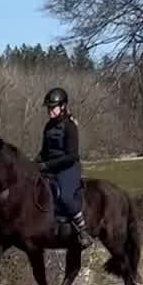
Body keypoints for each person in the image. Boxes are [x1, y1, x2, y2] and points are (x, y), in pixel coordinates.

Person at [35, 86, 93, 250]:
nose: (49, 111)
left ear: (62, 107)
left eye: (52, 107)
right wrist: (33, 163)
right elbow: (44, 152)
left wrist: (46, 165)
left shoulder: (70, 127)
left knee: (65, 196)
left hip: (68, 168)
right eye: (48, 108)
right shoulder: (48, 127)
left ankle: (83, 230)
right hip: (50, 167)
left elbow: (71, 155)